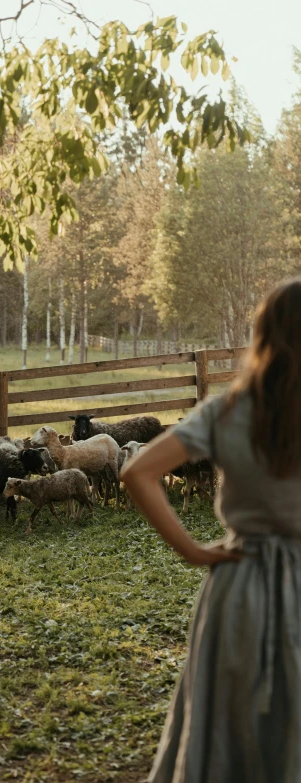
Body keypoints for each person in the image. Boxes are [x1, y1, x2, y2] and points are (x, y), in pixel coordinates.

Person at [121, 278, 301, 783]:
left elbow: (137, 471)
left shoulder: (227, 411)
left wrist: (192, 552)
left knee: (227, 725)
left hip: (240, 589)